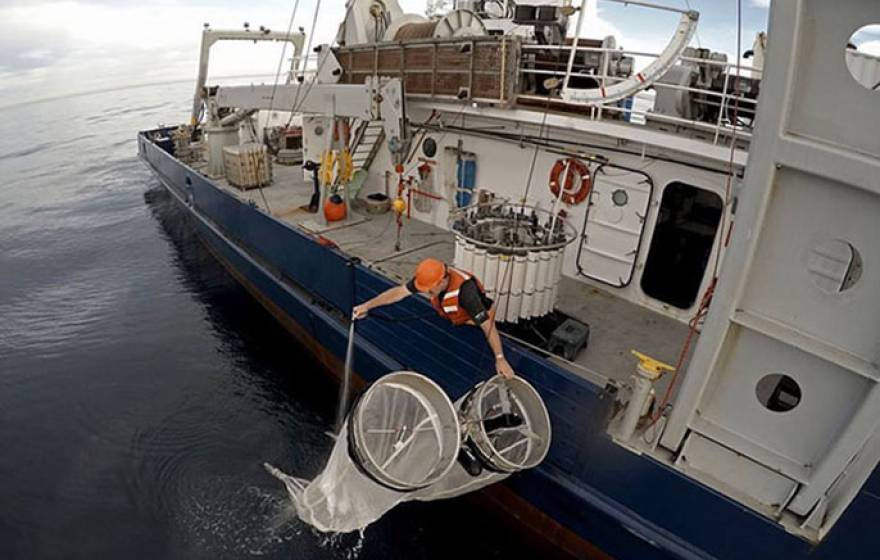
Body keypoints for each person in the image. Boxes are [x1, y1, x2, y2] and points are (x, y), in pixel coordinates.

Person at [352, 258, 515, 379]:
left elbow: (488, 326)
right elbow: (398, 293)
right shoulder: (431, 278)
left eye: (430, 290)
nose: (427, 293)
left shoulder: (467, 293)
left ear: (443, 280)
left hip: (473, 321)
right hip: (452, 316)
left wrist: (500, 358)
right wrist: (367, 306)